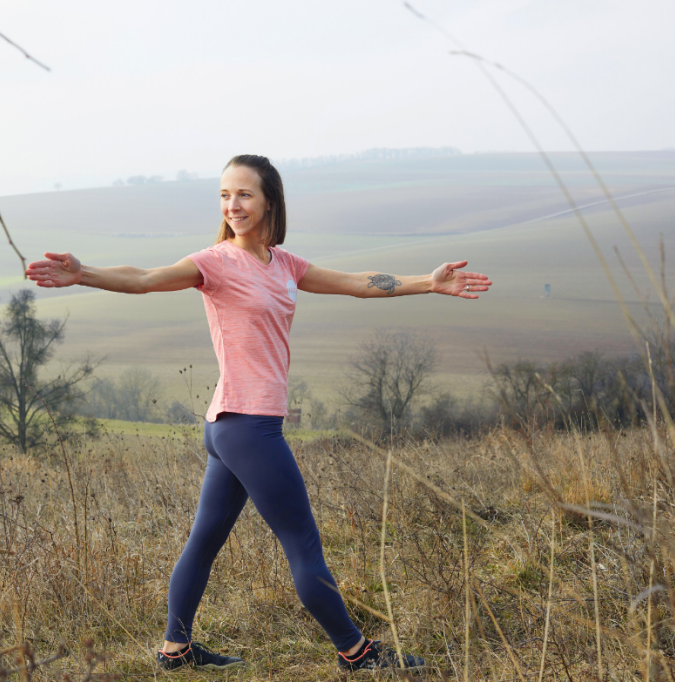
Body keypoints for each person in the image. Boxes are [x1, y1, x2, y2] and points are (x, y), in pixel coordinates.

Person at [26, 154, 492, 673]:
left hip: (232, 425)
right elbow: (146, 278)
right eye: (225, 195)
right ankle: (357, 653)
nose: (233, 204)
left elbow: (360, 281)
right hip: (246, 426)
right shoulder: (214, 262)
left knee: (203, 541)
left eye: (244, 194)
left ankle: (175, 650)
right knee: (303, 545)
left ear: (270, 199)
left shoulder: (284, 263)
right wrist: (83, 273)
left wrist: (428, 283)